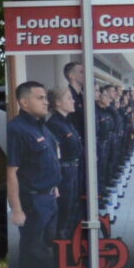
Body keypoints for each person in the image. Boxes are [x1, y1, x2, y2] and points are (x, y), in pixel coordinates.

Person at [5, 80, 62, 268]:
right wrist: (17, 210)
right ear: (24, 102)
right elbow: (11, 172)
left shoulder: (42, 128)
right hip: (32, 203)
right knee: (33, 250)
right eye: (40, 98)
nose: (46, 102)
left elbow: (46, 161)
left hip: (49, 198)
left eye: (46, 98)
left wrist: (53, 187)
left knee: (48, 246)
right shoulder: (16, 130)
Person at [47, 86, 86, 242]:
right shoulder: (54, 124)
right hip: (64, 171)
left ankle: (69, 233)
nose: (73, 101)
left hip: (74, 169)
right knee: (65, 205)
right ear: (58, 102)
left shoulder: (67, 122)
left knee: (72, 203)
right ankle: (61, 238)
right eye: (69, 98)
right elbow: (54, 155)